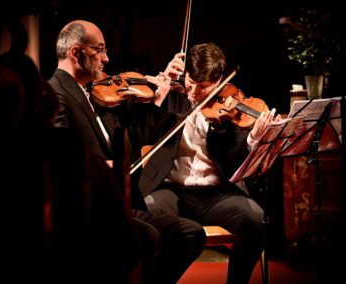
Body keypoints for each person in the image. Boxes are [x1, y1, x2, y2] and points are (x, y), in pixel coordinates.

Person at [48, 19, 206, 284]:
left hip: (119, 202)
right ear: (76, 52)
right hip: (89, 208)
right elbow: (61, 158)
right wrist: (105, 169)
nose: (106, 58)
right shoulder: (56, 94)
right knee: (148, 237)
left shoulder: (93, 93)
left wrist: (156, 100)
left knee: (191, 234)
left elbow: (130, 140)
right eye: (99, 50)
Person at [139, 42, 282, 284]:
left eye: (202, 86)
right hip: (170, 190)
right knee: (140, 216)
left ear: (218, 82)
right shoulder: (169, 94)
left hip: (216, 195)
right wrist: (161, 94)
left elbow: (235, 160)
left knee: (257, 220)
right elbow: (144, 133)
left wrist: (253, 138)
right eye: (190, 82)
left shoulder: (231, 106)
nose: (193, 92)